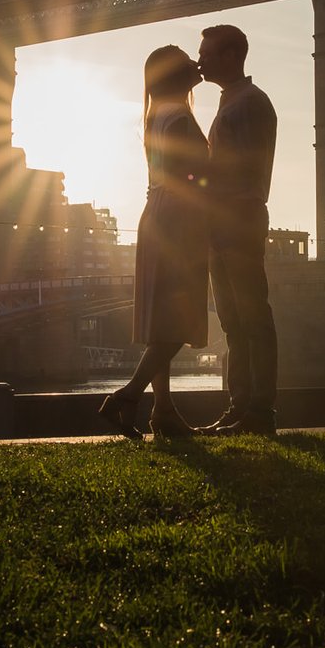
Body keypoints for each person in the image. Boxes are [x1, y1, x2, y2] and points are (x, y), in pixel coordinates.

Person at [98, 45, 209, 440]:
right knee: (181, 317)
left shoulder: (156, 115)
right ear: (174, 74)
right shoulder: (178, 117)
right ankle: (127, 395)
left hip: (155, 215)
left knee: (163, 319)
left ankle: (162, 411)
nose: (195, 63)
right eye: (186, 60)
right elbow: (194, 174)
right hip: (179, 219)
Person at [194, 24, 279, 437]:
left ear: (231, 56)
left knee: (252, 318)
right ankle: (240, 406)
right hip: (220, 224)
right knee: (231, 321)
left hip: (239, 220)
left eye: (207, 53)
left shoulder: (251, 103)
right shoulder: (233, 101)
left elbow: (242, 169)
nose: (201, 59)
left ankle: (260, 411)